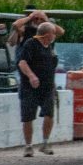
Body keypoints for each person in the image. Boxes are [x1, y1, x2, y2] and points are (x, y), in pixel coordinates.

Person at [17, 21, 65, 157]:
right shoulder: (31, 44)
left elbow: (62, 31)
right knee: (28, 117)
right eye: (52, 33)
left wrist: (46, 18)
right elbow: (22, 62)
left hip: (47, 87)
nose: (55, 35)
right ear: (47, 34)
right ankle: (28, 146)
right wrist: (31, 76)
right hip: (30, 87)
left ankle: (45, 143)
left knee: (49, 114)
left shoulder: (50, 46)